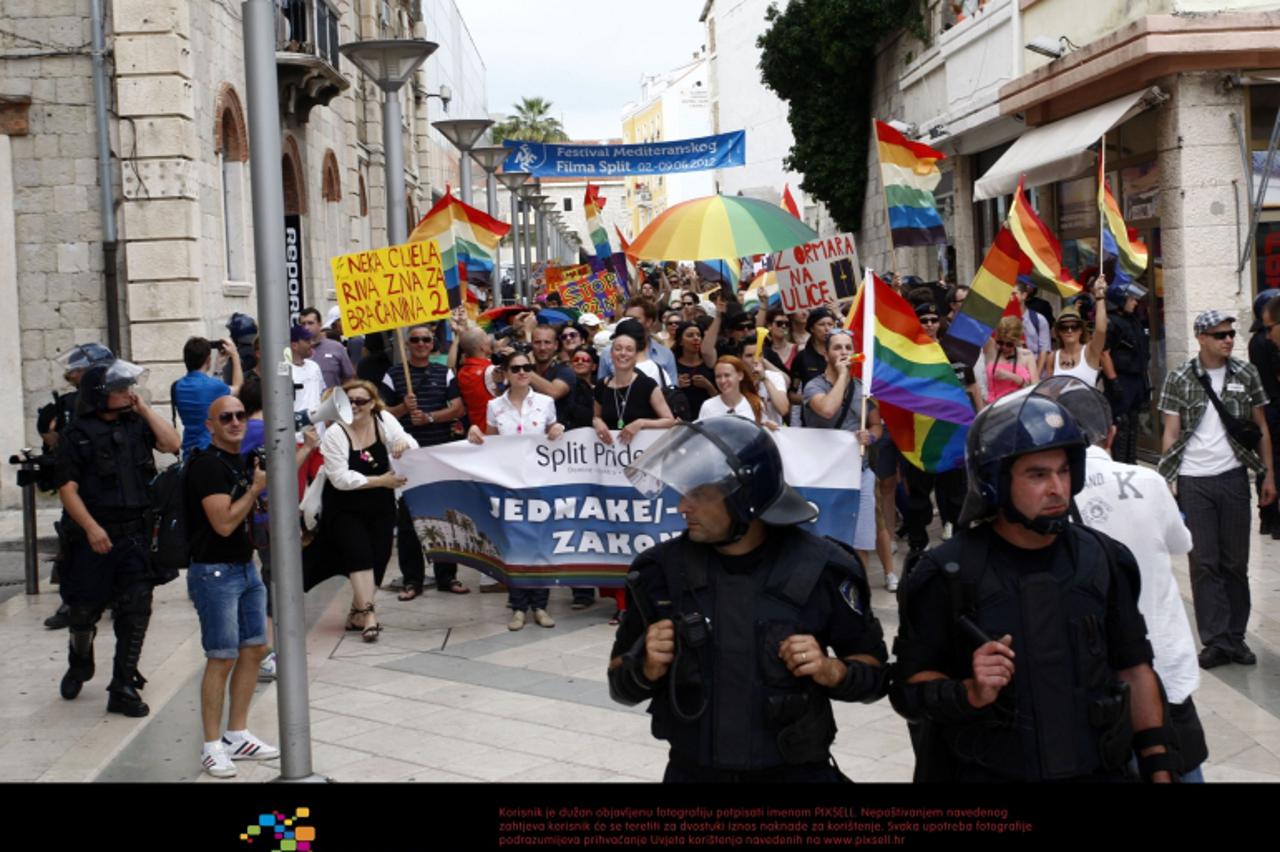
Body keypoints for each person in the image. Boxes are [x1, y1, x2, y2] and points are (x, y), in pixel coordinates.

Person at [891, 391, 1174, 782]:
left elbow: (1134, 668)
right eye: (1038, 474)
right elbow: (909, 690)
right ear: (995, 482)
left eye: (1063, 470)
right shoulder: (946, 573)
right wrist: (969, 691)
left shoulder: (1104, 559)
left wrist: (1158, 767)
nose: (1057, 487)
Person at [608, 416, 889, 782]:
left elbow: (878, 676)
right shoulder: (659, 572)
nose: (682, 507)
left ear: (745, 498)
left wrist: (830, 670)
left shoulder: (824, 567)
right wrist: (643, 666)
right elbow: (618, 683)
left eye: (699, 494)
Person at [1038, 376, 1208, 782]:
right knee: (1180, 764)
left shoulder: (1048, 495)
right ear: (1111, 433)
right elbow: (1180, 543)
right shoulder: (1149, 481)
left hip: (1094, 677)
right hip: (1164, 666)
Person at [55, 361, 180, 716]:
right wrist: (92, 528)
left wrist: (144, 409)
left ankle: (123, 685)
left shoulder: (136, 423)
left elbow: (172, 444)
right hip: (92, 536)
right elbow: (67, 489)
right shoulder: (76, 434)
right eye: (120, 389)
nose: (128, 392)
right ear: (99, 395)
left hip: (134, 535)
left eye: (129, 387)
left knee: (136, 609)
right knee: (83, 611)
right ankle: (80, 660)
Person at [1157, 309, 1275, 669]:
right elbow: (1171, 432)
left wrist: (1268, 475)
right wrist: (1169, 480)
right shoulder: (1179, 377)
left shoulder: (1247, 373)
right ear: (1201, 338)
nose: (1228, 340)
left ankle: (1236, 638)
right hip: (1194, 481)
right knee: (1204, 563)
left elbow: (1262, 430)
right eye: (1220, 334)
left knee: (1235, 563)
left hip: (1234, 478)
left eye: (1230, 334)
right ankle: (1215, 640)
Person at [186, 395, 277, 777]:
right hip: (214, 572)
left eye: (241, 415)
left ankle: (236, 734)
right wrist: (255, 490)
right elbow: (223, 523)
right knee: (221, 657)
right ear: (210, 425)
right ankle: (211, 745)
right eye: (226, 417)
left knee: (254, 649)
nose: (236, 422)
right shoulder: (206, 466)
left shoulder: (240, 459)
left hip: (244, 567)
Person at [467, 350, 567, 630]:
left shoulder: (546, 402)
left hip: (539, 482)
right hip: (508, 483)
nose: (523, 372)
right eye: (516, 368)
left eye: (528, 367)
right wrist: (476, 433)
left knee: (540, 545)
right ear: (507, 374)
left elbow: (553, 436)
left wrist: (558, 430)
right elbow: (492, 442)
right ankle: (518, 606)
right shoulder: (494, 406)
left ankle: (541, 606)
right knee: (513, 546)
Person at [316, 379, 416, 640]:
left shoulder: (382, 419)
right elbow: (339, 478)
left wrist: (403, 444)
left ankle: (356, 612)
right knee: (358, 556)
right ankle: (370, 614)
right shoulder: (335, 433)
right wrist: (380, 480)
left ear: (373, 404)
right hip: (344, 506)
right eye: (349, 401)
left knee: (379, 558)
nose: (355, 406)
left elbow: (407, 440)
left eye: (361, 401)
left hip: (380, 505)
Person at [593, 329, 677, 624]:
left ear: (636, 352)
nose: (623, 354)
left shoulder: (648, 384)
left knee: (642, 533)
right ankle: (622, 602)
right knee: (617, 532)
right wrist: (598, 422)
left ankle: (644, 598)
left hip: (644, 471)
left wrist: (641, 423)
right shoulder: (603, 384)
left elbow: (671, 420)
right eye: (618, 349)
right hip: (612, 473)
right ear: (611, 353)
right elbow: (596, 414)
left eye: (629, 349)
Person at [381, 324, 467, 597]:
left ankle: (447, 576)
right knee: (408, 522)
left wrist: (430, 417)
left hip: (439, 454)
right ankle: (412, 580)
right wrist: (402, 408)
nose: (420, 344)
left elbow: (457, 408)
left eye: (425, 340)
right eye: (415, 339)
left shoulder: (445, 373)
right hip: (407, 458)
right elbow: (382, 413)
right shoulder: (392, 375)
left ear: (433, 344)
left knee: (444, 517)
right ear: (407, 344)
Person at [39, 343, 115, 631]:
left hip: (109, 486)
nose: (72, 374)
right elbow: (57, 445)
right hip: (79, 485)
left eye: (78, 369)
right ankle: (70, 601)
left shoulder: (115, 401)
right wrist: (48, 431)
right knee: (71, 546)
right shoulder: (68, 403)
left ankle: (118, 598)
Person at [802, 329, 884, 586]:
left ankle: (857, 589)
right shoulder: (813, 386)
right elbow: (827, 410)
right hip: (824, 476)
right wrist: (844, 375)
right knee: (825, 536)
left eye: (848, 348)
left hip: (859, 472)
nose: (844, 353)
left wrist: (869, 437)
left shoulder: (864, 390)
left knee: (860, 539)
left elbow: (876, 426)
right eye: (837, 348)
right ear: (826, 354)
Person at [1103, 280, 1151, 464]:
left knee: (1132, 422)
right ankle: (1120, 463)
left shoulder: (1133, 320)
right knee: (1121, 423)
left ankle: (1131, 462)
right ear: (1121, 299)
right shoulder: (1111, 322)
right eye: (1131, 299)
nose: (1135, 302)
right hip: (1120, 379)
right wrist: (1113, 381)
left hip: (1136, 379)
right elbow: (1104, 353)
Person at [1247, 288, 1280, 538]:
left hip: (1266, 407)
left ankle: (1268, 518)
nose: (1270, 336)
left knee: (1268, 463)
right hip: (1272, 406)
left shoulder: (1254, 341)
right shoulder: (1265, 342)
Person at [174, 336, 243, 455]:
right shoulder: (213, 387)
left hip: (189, 451)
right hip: (209, 451)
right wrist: (235, 355)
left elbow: (208, 393)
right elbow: (238, 387)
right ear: (208, 359)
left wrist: (218, 368)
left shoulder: (178, 386)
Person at [1047, 277, 1109, 386]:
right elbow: (1050, 391)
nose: (1069, 330)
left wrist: (1099, 297)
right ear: (1058, 332)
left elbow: (1101, 330)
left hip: (1087, 403)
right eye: (1063, 327)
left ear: (1081, 330)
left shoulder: (1090, 351)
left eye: (1074, 326)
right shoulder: (1052, 357)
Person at [698, 355, 771, 428]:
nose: (722, 381)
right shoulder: (708, 406)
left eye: (727, 375)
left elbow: (762, 433)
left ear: (740, 376)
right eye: (718, 376)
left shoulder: (756, 403)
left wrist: (770, 428)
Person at [528, 324, 577, 425]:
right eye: (537, 342)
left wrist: (523, 369)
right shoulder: (527, 370)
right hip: (530, 434)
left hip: (560, 435)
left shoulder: (565, 371)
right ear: (531, 345)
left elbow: (553, 393)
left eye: (547, 342)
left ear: (556, 345)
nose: (542, 347)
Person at [982, 316, 1038, 404]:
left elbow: (1035, 389)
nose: (1004, 347)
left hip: (1019, 406)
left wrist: (1013, 377)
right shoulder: (991, 348)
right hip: (993, 407)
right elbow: (976, 328)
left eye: (1009, 344)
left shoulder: (1026, 355)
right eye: (1000, 342)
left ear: (1017, 341)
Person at [300, 306, 354, 390]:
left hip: (332, 400)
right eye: (303, 324)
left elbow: (350, 379)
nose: (306, 327)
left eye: (310, 323)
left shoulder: (336, 347)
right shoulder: (295, 351)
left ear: (319, 324)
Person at [673, 321, 716, 417]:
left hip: (708, 418)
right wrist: (676, 385)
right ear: (680, 341)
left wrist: (708, 386)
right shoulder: (673, 365)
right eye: (690, 335)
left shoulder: (709, 364)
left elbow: (720, 399)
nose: (696, 338)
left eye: (699, 335)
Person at [288, 325, 325, 430]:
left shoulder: (314, 366)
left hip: (319, 433)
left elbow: (322, 394)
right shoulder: (284, 370)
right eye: (307, 341)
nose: (311, 344)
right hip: (297, 435)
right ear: (294, 345)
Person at [1014, 280, 1053, 376]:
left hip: (1037, 371)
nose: (1011, 297)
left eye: (1014, 294)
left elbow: (1044, 350)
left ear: (1024, 295)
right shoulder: (1003, 320)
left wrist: (1036, 376)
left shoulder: (1038, 319)